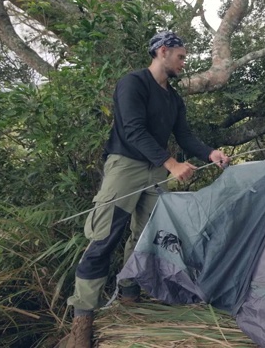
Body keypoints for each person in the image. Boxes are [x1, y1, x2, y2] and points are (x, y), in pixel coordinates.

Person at [64, 31, 230, 348]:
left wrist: (210, 153)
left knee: (146, 237)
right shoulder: (134, 83)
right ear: (163, 52)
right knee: (104, 238)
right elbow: (132, 130)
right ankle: (82, 322)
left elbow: (184, 136)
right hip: (125, 166)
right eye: (181, 56)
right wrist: (171, 165)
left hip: (155, 170)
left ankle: (129, 298)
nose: (184, 62)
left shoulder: (174, 99)